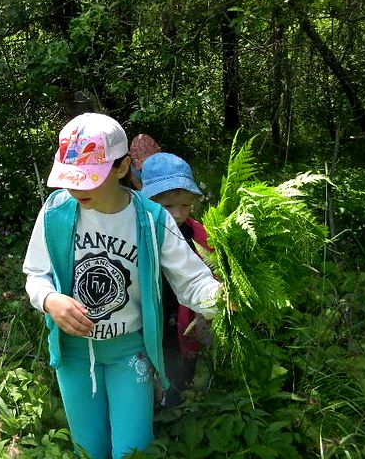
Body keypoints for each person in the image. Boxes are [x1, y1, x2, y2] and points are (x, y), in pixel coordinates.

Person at [23, 113, 223, 459]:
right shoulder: (55, 211)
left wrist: (223, 300)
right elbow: (35, 274)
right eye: (71, 179)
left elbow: (192, 280)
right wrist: (50, 299)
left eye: (89, 178)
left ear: (122, 167)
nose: (77, 189)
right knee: (88, 447)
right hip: (73, 355)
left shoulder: (150, 219)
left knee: (133, 449)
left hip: (129, 353)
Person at [140, 152, 215, 409]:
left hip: (184, 310)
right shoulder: (140, 231)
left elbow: (209, 264)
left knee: (180, 354)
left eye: (184, 205)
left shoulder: (193, 232)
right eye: (168, 206)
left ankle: (177, 402)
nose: (178, 213)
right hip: (151, 311)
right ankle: (151, 403)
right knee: (152, 355)